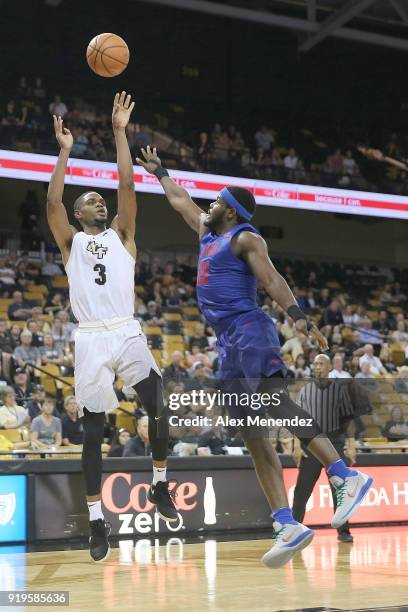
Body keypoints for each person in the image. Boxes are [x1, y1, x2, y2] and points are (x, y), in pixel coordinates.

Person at [137, 146, 373, 568]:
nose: (207, 205)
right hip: (227, 343)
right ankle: (287, 523)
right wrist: (161, 172)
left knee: (273, 402)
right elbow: (180, 201)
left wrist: (300, 319)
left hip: (250, 330)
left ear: (230, 210)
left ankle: (344, 474)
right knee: (251, 433)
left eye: (215, 201)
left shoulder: (245, 237)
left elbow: (272, 279)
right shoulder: (207, 233)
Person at [47, 93, 176, 562]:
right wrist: (64, 152)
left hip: (126, 330)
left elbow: (126, 182)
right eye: (92, 202)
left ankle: (160, 486)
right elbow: (53, 200)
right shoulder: (70, 242)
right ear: (80, 215)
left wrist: (120, 132)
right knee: (93, 433)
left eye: (102, 201)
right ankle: (98, 522)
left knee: (160, 404)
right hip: (90, 338)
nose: (100, 204)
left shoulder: (124, 234)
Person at [292, 355, 356, 543]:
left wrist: (351, 444)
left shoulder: (339, 391)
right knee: (302, 491)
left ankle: (343, 531)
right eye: (315, 364)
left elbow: (348, 420)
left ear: (329, 368)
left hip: (334, 445)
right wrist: (297, 445)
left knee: (340, 491)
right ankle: (295, 530)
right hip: (310, 445)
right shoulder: (305, 390)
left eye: (321, 364)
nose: (317, 367)